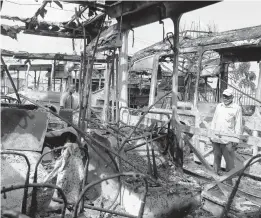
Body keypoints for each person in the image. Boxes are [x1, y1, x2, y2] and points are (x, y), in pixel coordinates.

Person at [210, 88, 243, 177]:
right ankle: (216, 175)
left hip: (228, 139)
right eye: (224, 96)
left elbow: (238, 125)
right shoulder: (219, 106)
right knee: (216, 157)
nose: (226, 98)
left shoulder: (236, 108)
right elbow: (214, 120)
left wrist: (236, 140)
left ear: (232, 97)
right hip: (216, 137)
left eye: (228, 96)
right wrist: (211, 134)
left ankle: (229, 177)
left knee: (229, 159)